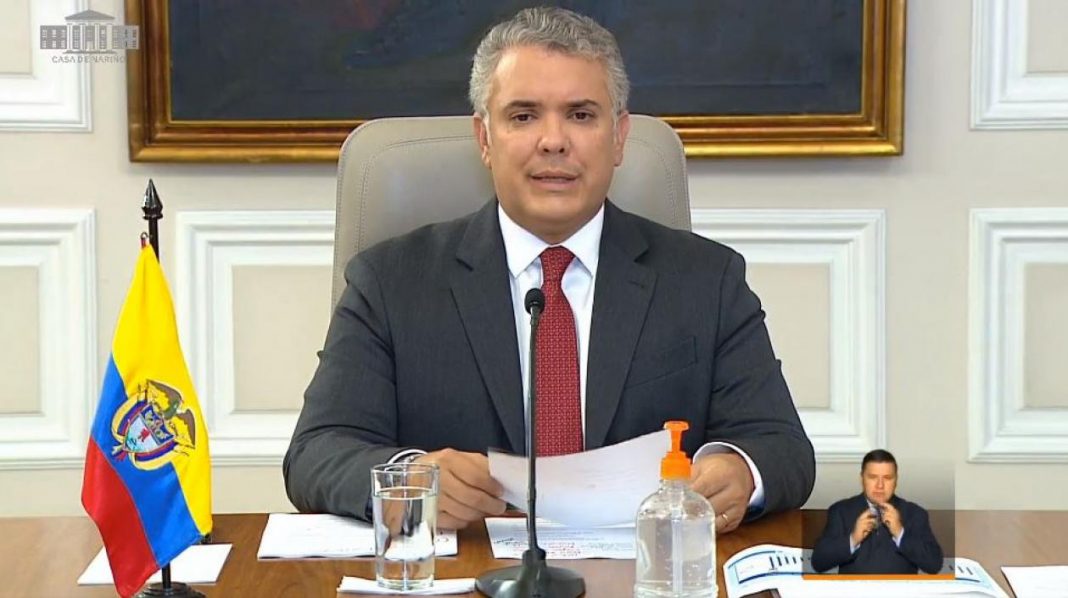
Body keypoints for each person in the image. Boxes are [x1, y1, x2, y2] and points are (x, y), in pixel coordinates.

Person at [284, 6, 814, 533]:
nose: (553, 140)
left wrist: (739, 471)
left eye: (581, 115)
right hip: (469, 567)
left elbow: (781, 446)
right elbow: (316, 452)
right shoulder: (391, 282)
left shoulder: (706, 280)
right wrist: (410, 479)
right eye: (523, 116)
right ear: (485, 139)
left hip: (641, 567)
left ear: (619, 137)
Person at [811, 449, 943, 574]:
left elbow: (934, 565)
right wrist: (853, 539)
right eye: (873, 477)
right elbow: (818, 563)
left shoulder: (915, 514)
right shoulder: (840, 511)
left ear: (896, 480)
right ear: (862, 478)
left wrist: (900, 533)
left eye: (887, 478)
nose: (880, 485)